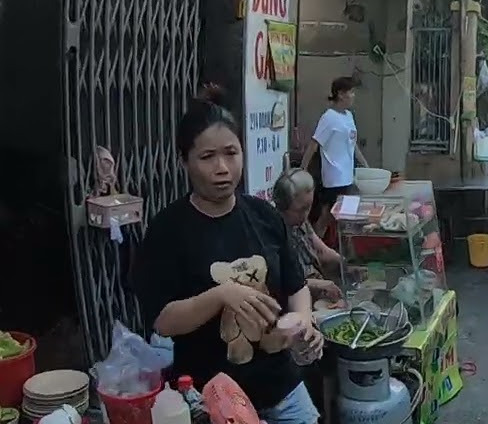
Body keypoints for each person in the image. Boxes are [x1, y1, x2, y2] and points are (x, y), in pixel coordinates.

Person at [134, 86, 322, 424]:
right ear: (183, 161)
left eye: (231, 153)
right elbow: (162, 320)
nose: (222, 168)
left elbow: (296, 287)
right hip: (212, 400)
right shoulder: (168, 230)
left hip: (282, 389)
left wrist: (304, 322)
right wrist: (221, 295)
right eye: (207, 157)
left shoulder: (264, 215)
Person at [300, 77, 368, 237]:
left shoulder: (349, 116)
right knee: (328, 216)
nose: (353, 96)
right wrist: (302, 169)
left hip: (348, 176)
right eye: (350, 92)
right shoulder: (329, 117)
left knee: (346, 218)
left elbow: (353, 145)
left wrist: (365, 165)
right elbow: (314, 144)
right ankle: (314, 249)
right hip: (334, 178)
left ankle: (341, 251)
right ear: (341, 94)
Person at [272, 169, 343, 305]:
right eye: (301, 209)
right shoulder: (272, 233)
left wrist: (346, 264)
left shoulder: (301, 223)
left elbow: (322, 251)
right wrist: (317, 284)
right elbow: (280, 281)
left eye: (308, 207)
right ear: (282, 206)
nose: (305, 215)